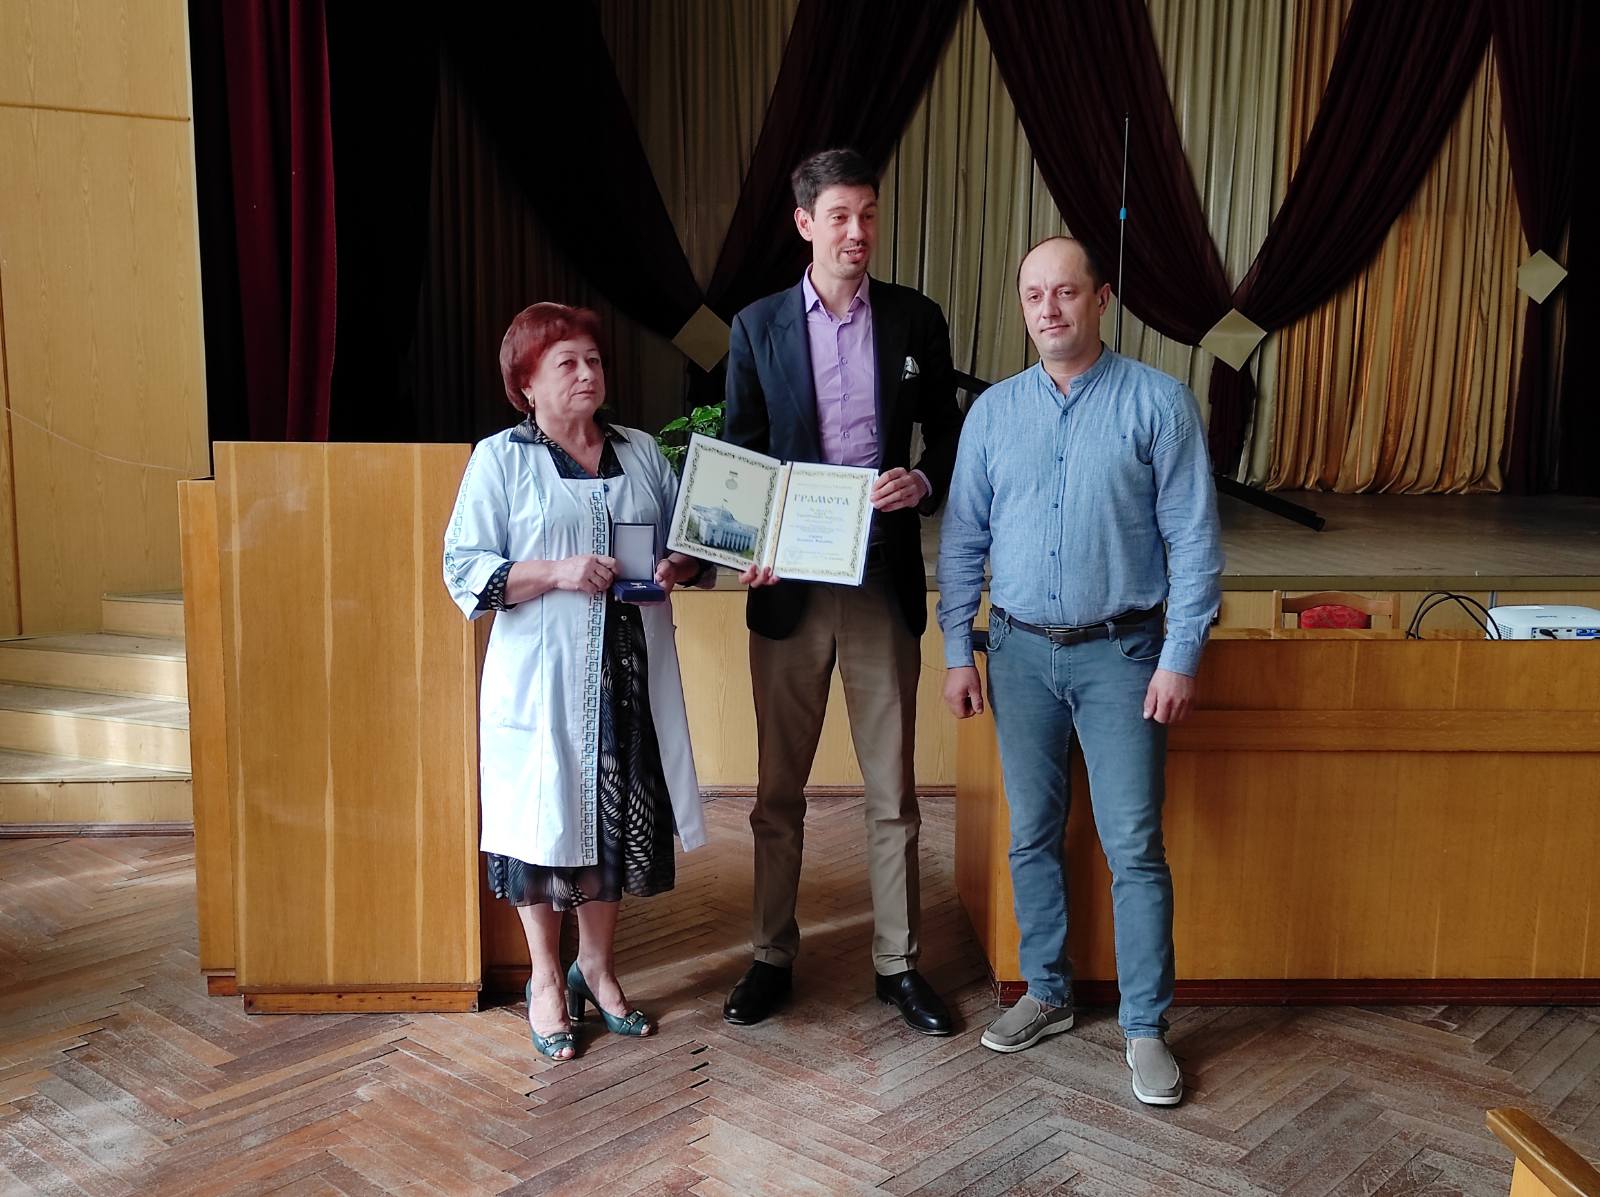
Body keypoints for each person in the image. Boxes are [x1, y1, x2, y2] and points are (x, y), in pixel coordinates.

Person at [937, 237, 1223, 1106]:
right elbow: (963, 540)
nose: (1048, 309)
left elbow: (1194, 540)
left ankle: (1146, 1027)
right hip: (1018, 654)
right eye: (1034, 295)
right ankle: (1048, 991)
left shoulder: (1158, 404)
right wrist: (957, 648)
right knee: (1031, 832)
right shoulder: (993, 414)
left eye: (1065, 292)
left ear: (1101, 299)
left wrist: (1180, 655)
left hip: (1124, 657)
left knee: (1133, 846)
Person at [720, 148, 964, 1035]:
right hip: (788, 586)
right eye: (840, 216)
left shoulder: (915, 318)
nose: (858, 232)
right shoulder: (757, 326)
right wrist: (748, 545)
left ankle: (899, 964)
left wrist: (922, 481)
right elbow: (742, 454)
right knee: (777, 792)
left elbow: (948, 435)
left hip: (879, 579)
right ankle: (770, 954)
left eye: (868, 214)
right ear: (805, 223)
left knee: (892, 791)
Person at [443, 302, 711, 1061]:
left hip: (628, 675)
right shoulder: (501, 459)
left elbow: (685, 543)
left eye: (593, 359)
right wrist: (557, 571)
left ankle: (596, 966)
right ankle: (545, 980)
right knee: (543, 823)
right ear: (525, 383)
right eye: (567, 363)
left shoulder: (639, 451)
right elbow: (464, 567)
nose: (587, 373)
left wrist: (679, 563)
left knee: (613, 820)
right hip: (544, 680)